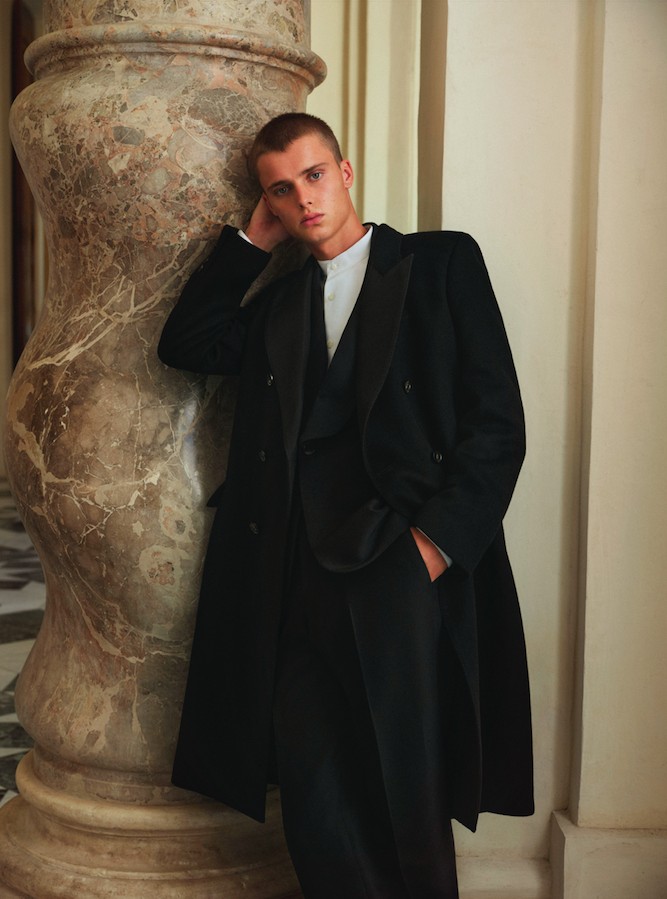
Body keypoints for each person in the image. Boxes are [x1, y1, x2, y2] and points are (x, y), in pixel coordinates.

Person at [158, 113, 533, 898]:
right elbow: (187, 341)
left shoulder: (438, 264)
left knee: (405, 792)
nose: (303, 199)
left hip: (396, 564)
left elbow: (496, 425)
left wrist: (431, 549)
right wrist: (253, 242)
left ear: (345, 171)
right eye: (280, 190)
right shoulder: (280, 304)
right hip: (294, 574)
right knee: (313, 795)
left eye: (313, 175)